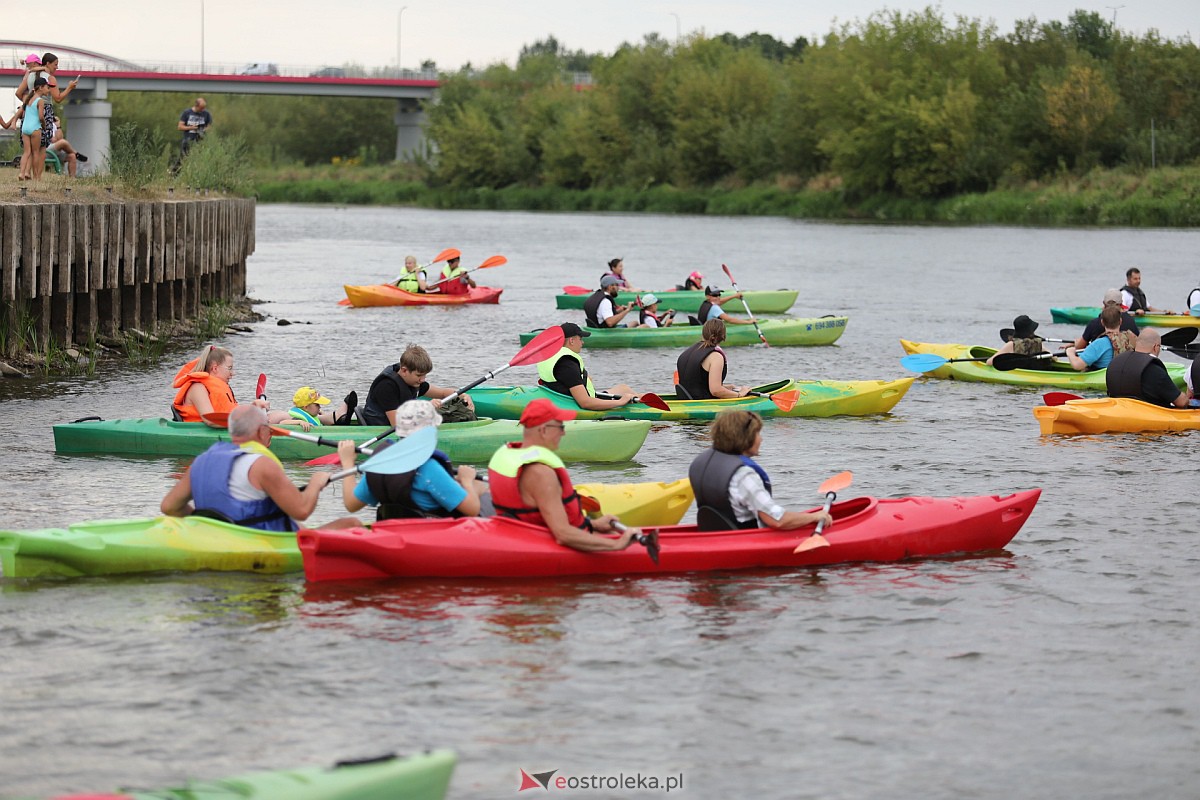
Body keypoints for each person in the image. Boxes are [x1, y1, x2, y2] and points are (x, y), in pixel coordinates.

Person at [161, 404, 361, 531]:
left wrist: (208, 525)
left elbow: (169, 506)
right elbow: (301, 510)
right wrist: (316, 484)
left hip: (220, 537)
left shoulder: (201, 461)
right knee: (352, 525)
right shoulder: (261, 464)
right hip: (260, 541)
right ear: (262, 431)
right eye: (268, 428)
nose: (271, 433)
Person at [487, 398, 640, 552]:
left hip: (524, 538)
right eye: (560, 426)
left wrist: (593, 524)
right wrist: (617, 545)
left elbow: (541, 519)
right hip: (549, 546)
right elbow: (563, 534)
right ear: (544, 430)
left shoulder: (510, 456)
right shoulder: (541, 473)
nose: (563, 432)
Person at [337, 400, 487, 519]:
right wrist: (467, 480)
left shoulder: (380, 464)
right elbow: (472, 510)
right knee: (478, 485)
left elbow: (351, 504)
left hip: (394, 533)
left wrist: (348, 463)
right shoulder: (430, 469)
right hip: (429, 540)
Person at [688, 410, 834, 531]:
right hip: (742, 542)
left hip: (712, 535)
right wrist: (815, 517)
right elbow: (778, 520)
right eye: (757, 433)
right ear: (745, 437)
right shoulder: (743, 475)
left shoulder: (699, 462)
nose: (761, 439)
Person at [360, 344, 475, 426]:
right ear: (404, 371)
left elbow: (443, 392)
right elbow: (396, 424)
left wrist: (462, 395)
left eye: (425, 375)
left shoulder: (414, 381)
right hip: (382, 427)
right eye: (419, 375)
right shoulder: (386, 386)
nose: (422, 380)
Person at [171, 344, 289, 424]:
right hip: (203, 433)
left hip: (225, 428)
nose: (233, 373)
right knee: (276, 417)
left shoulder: (217, 386)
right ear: (215, 368)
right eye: (230, 368)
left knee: (282, 415)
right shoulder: (198, 388)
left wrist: (253, 409)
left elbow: (229, 413)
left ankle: (303, 424)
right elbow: (210, 420)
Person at [536, 322, 639, 411]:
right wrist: (620, 402)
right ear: (571, 341)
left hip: (564, 398)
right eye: (580, 339)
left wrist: (582, 380)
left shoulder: (551, 355)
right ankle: (648, 406)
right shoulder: (567, 363)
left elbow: (561, 381)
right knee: (630, 396)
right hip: (579, 404)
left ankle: (644, 400)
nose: (582, 342)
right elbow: (585, 403)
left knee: (623, 388)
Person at [1106, 330, 1189, 408]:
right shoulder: (1155, 370)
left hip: (1117, 410)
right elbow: (1181, 402)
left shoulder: (1115, 361)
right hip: (1147, 416)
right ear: (1156, 347)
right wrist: (1187, 395)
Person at [675, 319, 752, 399]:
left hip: (687, 399)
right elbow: (716, 391)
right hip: (703, 404)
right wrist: (739, 395)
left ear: (704, 333)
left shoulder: (686, 352)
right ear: (723, 336)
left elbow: (696, 384)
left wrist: (725, 388)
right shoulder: (716, 357)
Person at [1065, 305, 1136, 371]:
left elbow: (1077, 365)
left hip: (1105, 378)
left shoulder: (1099, 343)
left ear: (1102, 322)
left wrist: (1070, 352)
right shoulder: (1131, 338)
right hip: (1124, 375)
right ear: (1120, 321)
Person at [1074, 288, 1139, 349]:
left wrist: (1075, 344)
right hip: (1124, 358)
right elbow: (1138, 342)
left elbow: (1080, 347)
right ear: (1121, 303)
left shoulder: (1094, 323)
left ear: (1104, 304)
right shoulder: (1130, 320)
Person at [18, 78, 49, 182]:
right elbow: (40, 117)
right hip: (35, 128)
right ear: (41, 87)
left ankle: (22, 173)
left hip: (25, 128)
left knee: (26, 152)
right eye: (47, 87)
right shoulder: (40, 101)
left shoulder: (28, 99)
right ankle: (36, 176)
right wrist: (44, 125)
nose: (48, 90)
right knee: (36, 152)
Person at [289, 386, 355, 427]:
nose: (320, 407)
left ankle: (337, 420)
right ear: (306, 407)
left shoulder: (311, 416)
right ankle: (337, 419)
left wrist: (323, 415)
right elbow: (283, 422)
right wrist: (300, 422)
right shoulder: (299, 419)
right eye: (317, 405)